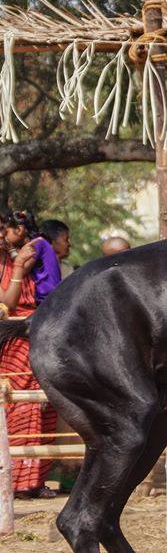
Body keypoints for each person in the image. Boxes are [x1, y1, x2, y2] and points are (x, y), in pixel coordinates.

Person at [1, 210, 60, 498]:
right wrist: (19, 270)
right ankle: (15, 480)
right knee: (16, 405)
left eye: (5, 229)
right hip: (11, 339)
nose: (3, 235)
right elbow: (8, 303)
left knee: (40, 405)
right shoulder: (15, 264)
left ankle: (32, 480)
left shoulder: (21, 256)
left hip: (32, 334)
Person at [5, 210, 61, 303]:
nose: (4, 236)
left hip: (49, 298)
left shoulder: (37, 242)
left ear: (19, 230)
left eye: (7, 232)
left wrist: (11, 250)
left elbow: (23, 269)